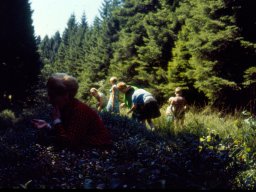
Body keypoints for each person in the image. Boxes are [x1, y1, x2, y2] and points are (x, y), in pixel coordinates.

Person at [32, 73, 112, 149]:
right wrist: (47, 126)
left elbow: (68, 143)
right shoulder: (66, 107)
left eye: (52, 96)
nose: (50, 99)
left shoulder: (79, 110)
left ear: (66, 95)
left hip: (99, 152)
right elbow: (66, 133)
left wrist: (56, 120)